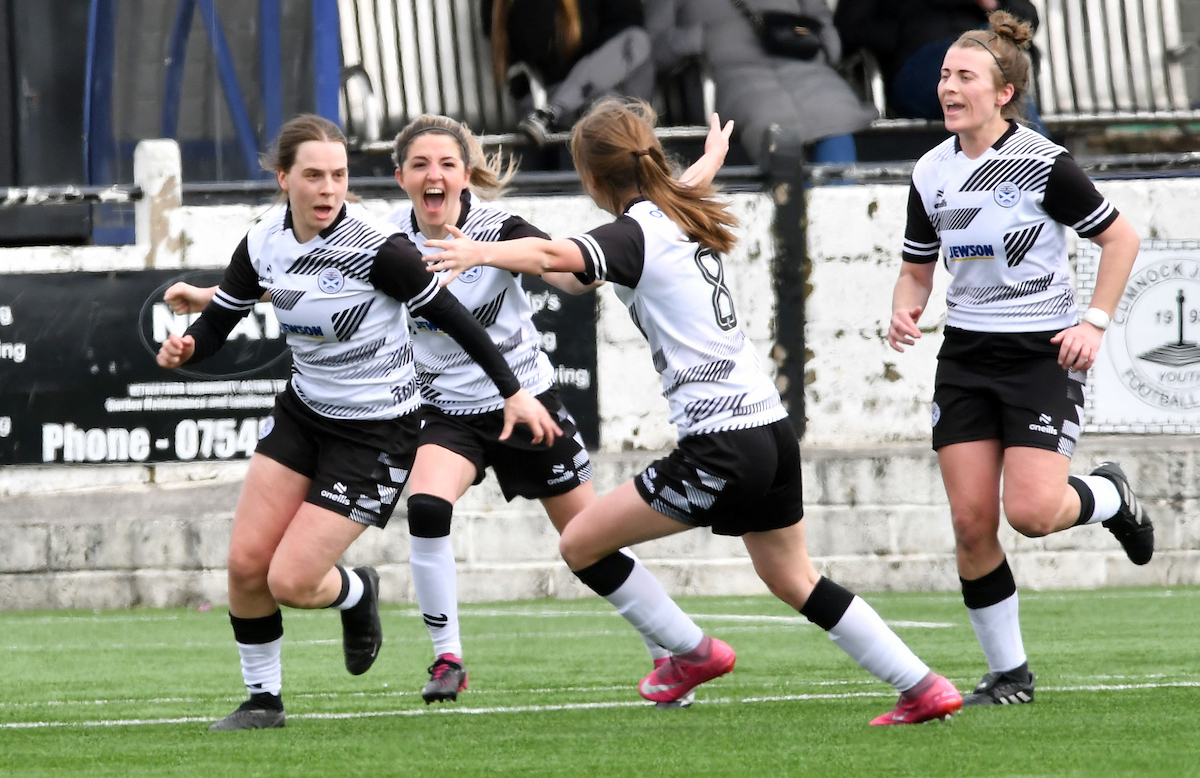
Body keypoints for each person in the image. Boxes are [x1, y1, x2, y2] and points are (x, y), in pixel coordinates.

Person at [164, 110, 736, 709]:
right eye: (420, 165)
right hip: (444, 410)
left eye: (446, 164)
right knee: (429, 505)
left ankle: (666, 651)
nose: (433, 175)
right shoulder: (386, 236)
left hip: (525, 400)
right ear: (401, 176)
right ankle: (448, 657)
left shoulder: (500, 226)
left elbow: (579, 272)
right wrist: (210, 300)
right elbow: (302, 277)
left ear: (466, 175)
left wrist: (497, 258)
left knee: (587, 538)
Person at [424, 97, 963, 725]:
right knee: (795, 580)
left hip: (720, 444)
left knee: (580, 544)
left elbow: (551, 258)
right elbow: (625, 230)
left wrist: (477, 254)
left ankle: (692, 655)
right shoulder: (673, 211)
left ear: (593, 178)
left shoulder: (638, 231)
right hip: (770, 427)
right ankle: (922, 685)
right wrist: (707, 162)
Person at [156, 113, 559, 731]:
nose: (327, 189)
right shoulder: (263, 239)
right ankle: (263, 701)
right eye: (313, 176)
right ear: (284, 179)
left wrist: (513, 392)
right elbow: (222, 322)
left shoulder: (380, 249)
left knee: (290, 579)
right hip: (304, 415)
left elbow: (457, 318)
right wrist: (189, 345)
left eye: (339, 176)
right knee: (244, 566)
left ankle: (356, 591)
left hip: (378, 432)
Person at [886, 13, 1151, 707]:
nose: (948, 87)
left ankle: (1111, 496)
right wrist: (905, 305)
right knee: (973, 524)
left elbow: (1122, 239)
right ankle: (1011, 674)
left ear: (1002, 92)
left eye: (964, 76)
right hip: (966, 356)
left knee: (1031, 514)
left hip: (1041, 356)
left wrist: (1094, 323)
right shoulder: (930, 170)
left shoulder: (1042, 163)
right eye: (945, 75)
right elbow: (917, 268)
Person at [645, 0, 876, 167]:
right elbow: (654, 47)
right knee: (769, 119)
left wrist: (826, 42)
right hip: (734, 73)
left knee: (834, 111)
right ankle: (795, 206)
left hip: (803, 63)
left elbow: (819, 16)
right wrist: (696, 38)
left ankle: (840, 197)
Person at [834, 0, 1043, 127]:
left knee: (989, 67)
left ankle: (1030, 175)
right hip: (919, 62)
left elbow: (1027, 23)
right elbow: (849, 29)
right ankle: (1037, 175)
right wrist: (906, 33)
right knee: (987, 76)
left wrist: (991, 4)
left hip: (985, 51)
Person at [483, 0, 655, 146]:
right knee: (607, 107)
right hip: (548, 91)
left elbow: (628, 25)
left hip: (606, 83)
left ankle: (550, 113)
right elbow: (536, 50)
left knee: (635, 41)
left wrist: (591, 62)